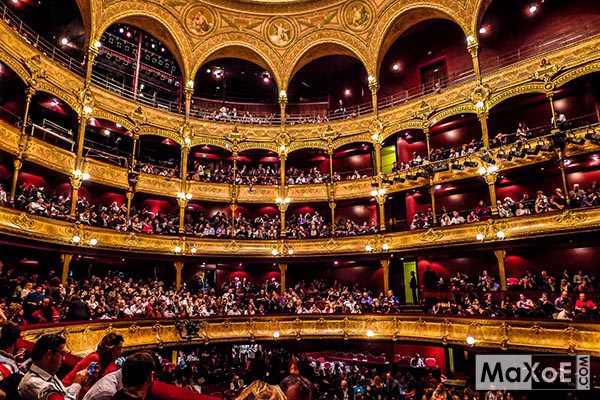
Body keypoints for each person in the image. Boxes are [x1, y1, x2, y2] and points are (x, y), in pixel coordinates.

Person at [19, 334, 87, 400]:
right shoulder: (34, 383)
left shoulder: (48, 373)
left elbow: (62, 394)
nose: (63, 359)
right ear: (49, 354)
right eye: (62, 354)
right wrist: (76, 384)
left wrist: (80, 382)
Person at [63, 333, 124, 397]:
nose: (121, 351)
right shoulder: (94, 359)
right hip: (69, 391)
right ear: (109, 349)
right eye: (118, 349)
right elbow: (85, 384)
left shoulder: (112, 362)